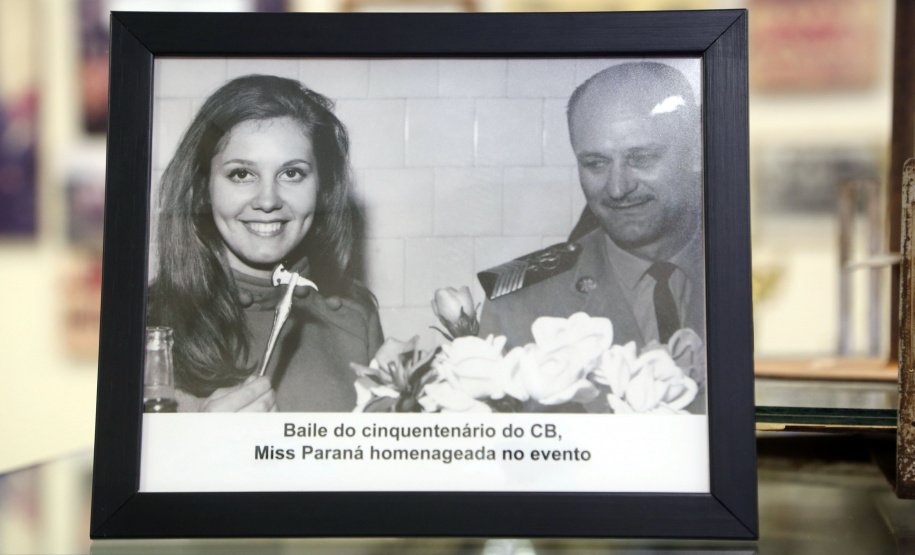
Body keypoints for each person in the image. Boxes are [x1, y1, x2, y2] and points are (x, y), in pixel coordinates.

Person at [147, 75, 383, 412]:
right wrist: (195, 443)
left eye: (292, 173)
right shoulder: (144, 326)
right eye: (242, 174)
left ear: (321, 189)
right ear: (203, 189)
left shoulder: (355, 318)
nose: (268, 200)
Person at [479, 62, 705, 353]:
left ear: (696, 153)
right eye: (595, 163)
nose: (618, 188)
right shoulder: (520, 300)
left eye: (641, 158)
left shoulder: (750, 270)